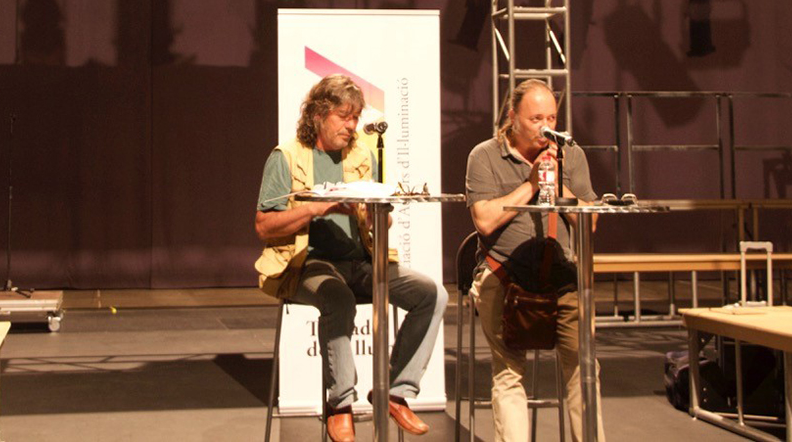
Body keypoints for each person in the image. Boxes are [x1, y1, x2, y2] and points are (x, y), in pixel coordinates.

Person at [255, 74, 448, 442]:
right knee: (337, 297)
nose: (352, 125)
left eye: (356, 117)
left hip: (361, 262)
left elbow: (381, 222)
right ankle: (340, 405)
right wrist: (316, 208)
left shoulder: (362, 155)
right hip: (305, 264)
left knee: (432, 294)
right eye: (344, 116)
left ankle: (394, 393)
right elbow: (264, 226)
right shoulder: (287, 157)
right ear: (318, 114)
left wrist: (377, 210)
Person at [464, 79, 605, 442]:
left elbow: (589, 221)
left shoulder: (570, 154)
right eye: (536, 119)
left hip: (562, 277)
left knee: (584, 368)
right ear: (512, 117)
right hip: (505, 275)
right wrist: (531, 184)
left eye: (551, 118)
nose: (546, 127)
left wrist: (558, 184)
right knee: (509, 374)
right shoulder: (485, 155)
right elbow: (484, 220)